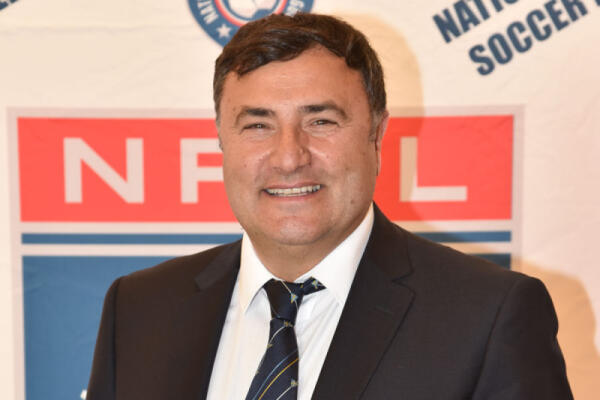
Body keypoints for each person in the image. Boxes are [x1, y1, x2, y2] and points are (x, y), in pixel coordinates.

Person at [86, 13, 573, 400]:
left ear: (376, 135)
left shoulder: (488, 317)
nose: (289, 157)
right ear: (221, 140)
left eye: (320, 121)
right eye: (257, 125)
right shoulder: (139, 307)